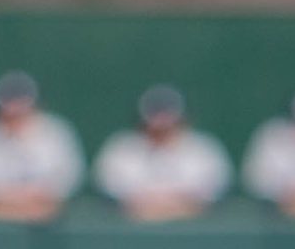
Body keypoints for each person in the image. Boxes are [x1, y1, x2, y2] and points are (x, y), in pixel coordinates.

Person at [0, 71, 84, 222]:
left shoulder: (57, 134)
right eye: (8, 102)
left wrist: (19, 204)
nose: (15, 109)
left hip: (47, 232)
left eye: (22, 102)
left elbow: (61, 192)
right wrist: (17, 206)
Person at [94, 86, 231, 221]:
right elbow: (115, 197)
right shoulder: (120, 149)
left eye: (168, 114)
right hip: (130, 234)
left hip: (193, 232)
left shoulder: (204, 149)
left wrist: (173, 206)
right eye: (155, 114)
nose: (161, 122)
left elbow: (211, 197)